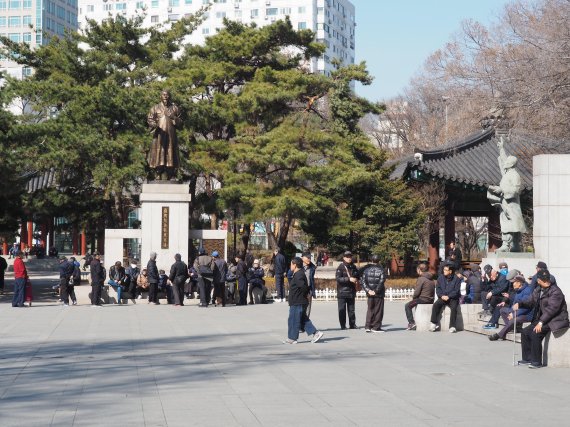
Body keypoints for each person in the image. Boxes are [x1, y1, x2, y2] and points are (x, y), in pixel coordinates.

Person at [514, 269, 569, 368]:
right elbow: (531, 300)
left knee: (536, 332)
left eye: (546, 279)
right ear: (538, 280)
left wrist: (541, 322)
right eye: (543, 279)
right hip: (543, 319)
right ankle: (527, 358)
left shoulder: (556, 291)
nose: (545, 281)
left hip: (555, 319)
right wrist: (520, 304)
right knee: (525, 332)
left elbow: (552, 309)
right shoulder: (539, 289)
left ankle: (536, 362)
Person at [486, 136, 528, 252]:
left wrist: (502, 190)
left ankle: (513, 245)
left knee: (513, 224)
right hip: (505, 203)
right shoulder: (507, 174)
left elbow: (515, 190)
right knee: (507, 223)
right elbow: (503, 160)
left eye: (508, 162)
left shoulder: (515, 175)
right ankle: (507, 244)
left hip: (512, 204)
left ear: (511, 164)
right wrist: (501, 148)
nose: (505, 163)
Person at [282, 257, 324, 344]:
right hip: (298, 301)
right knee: (302, 320)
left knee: (293, 320)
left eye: (291, 264)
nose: (290, 266)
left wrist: (305, 294)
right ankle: (316, 333)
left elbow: (303, 287)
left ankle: (292, 338)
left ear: (295, 265)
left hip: (298, 301)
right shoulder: (298, 273)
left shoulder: (298, 275)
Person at [147, 90, 181, 180]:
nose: (165, 96)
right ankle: (158, 173)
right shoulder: (155, 108)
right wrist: (154, 124)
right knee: (158, 152)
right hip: (159, 135)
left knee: (171, 152)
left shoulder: (174, 108)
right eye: (164, 95)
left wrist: (173, 117)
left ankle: (171, 174)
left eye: (167, 95)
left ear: (170, 96)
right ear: (160, 96)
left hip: (171, 135)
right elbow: (150, 119)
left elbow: (180, 122)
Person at [488, 273, 534, 341]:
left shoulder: (527, 291)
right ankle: (511, 327)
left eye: (514, 282)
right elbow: (514, 304)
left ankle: (500, 335)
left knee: (513, 320)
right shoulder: (518, 290)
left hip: (527, 314)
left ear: (519, 283)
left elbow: (525, 307)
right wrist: (512, 312)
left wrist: (514, 314)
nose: (513, 284)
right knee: (502, 310)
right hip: (518, 311)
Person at [429, 263, 461, 332]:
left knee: (454, 308)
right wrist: (441, 296)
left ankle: (452, 326)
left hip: (453, 298)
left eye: (446, 270)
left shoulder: (457, 279)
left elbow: (456, 291)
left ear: (450, 271)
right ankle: (433, 323)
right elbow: (438, 288)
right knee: (436, 305)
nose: (444, 271)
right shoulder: (440, 277)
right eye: (444, 270)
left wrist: (449, 296)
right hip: (443, 297)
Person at [360, 255, 387, 333]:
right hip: (379, 293)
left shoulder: (366, 270)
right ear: (379, 261)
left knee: (370, 309)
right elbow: (381, 282)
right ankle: (376, 327)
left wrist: (368, 290)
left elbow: (363, 281)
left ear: (371, 260)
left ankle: (368, 326)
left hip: (370, 293)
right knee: (378, 310)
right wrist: (376, 291)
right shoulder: (382, 270)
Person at [405, 263, 435, 330]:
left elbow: (417, 292)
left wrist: (413, 298)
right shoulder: (431, 278)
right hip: (431, 299)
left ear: (419, 270)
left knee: (407, 306)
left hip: (423, 299)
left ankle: (411, 323)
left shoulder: (421, 278)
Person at [335, 251, 360, 330]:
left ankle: (352, 324)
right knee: (342, 309)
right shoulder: (340, 267)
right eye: (347, 257)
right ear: (344, 258)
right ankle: (343, 325)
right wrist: (349, 279)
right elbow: (338, 279)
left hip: (351, 291)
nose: (349, 258)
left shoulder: (353, 266)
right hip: (342, 291)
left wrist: (356, 278)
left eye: (350, 256)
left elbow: (357, 275)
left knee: (351, 309)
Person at [482, 263, 510, 328]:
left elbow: (501, 288)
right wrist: (484, 280)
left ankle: (492, 322)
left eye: (490, 274)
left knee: (497, 306)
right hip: (499, 298)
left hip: (503, 298)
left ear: (495, 272)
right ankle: (487, 310)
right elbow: (486, 288)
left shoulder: (503, 277)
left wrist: (492, 292)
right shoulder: (491, 279)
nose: (490, 276)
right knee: (483, 293)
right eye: (488, 274)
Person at [302, 252, 316, 317]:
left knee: (308, 309)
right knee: (300, 308)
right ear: (302, 258)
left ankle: (306, 323)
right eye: (308, 258)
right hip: (300, 290)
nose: (309, 259)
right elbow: (289, 275)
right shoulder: (298, 265)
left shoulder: (312, 267)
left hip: (308, 290)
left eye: (310, 258)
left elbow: (312, 279)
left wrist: (312, 291)